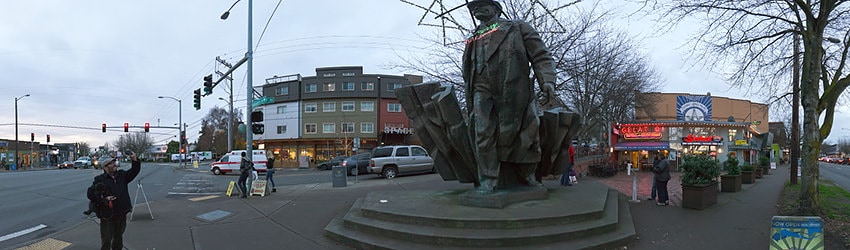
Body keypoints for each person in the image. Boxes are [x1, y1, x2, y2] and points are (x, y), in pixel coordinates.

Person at [462, 0, 557, 193]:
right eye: (473, 7)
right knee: (482, 131)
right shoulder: (472, 37)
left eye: (482, 4)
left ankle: (528, 173)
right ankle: (488, 178)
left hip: (513, 88)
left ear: (496, 9)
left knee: (525, 132)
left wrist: (547, 80)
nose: (476, 8)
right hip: (480, 88)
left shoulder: (517, 28)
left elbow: (540, 55)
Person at [87, 152, 140, 250]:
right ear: (105, 167)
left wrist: (134, 159)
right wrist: (104, 199)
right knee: (106, 240)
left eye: (114, 163)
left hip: (121, 213)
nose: (114, 165)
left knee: (118, 238)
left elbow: (134, 171)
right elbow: (90, 194)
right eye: (111, 164)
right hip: (107, 215)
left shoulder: (122, 175)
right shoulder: (99, 179)